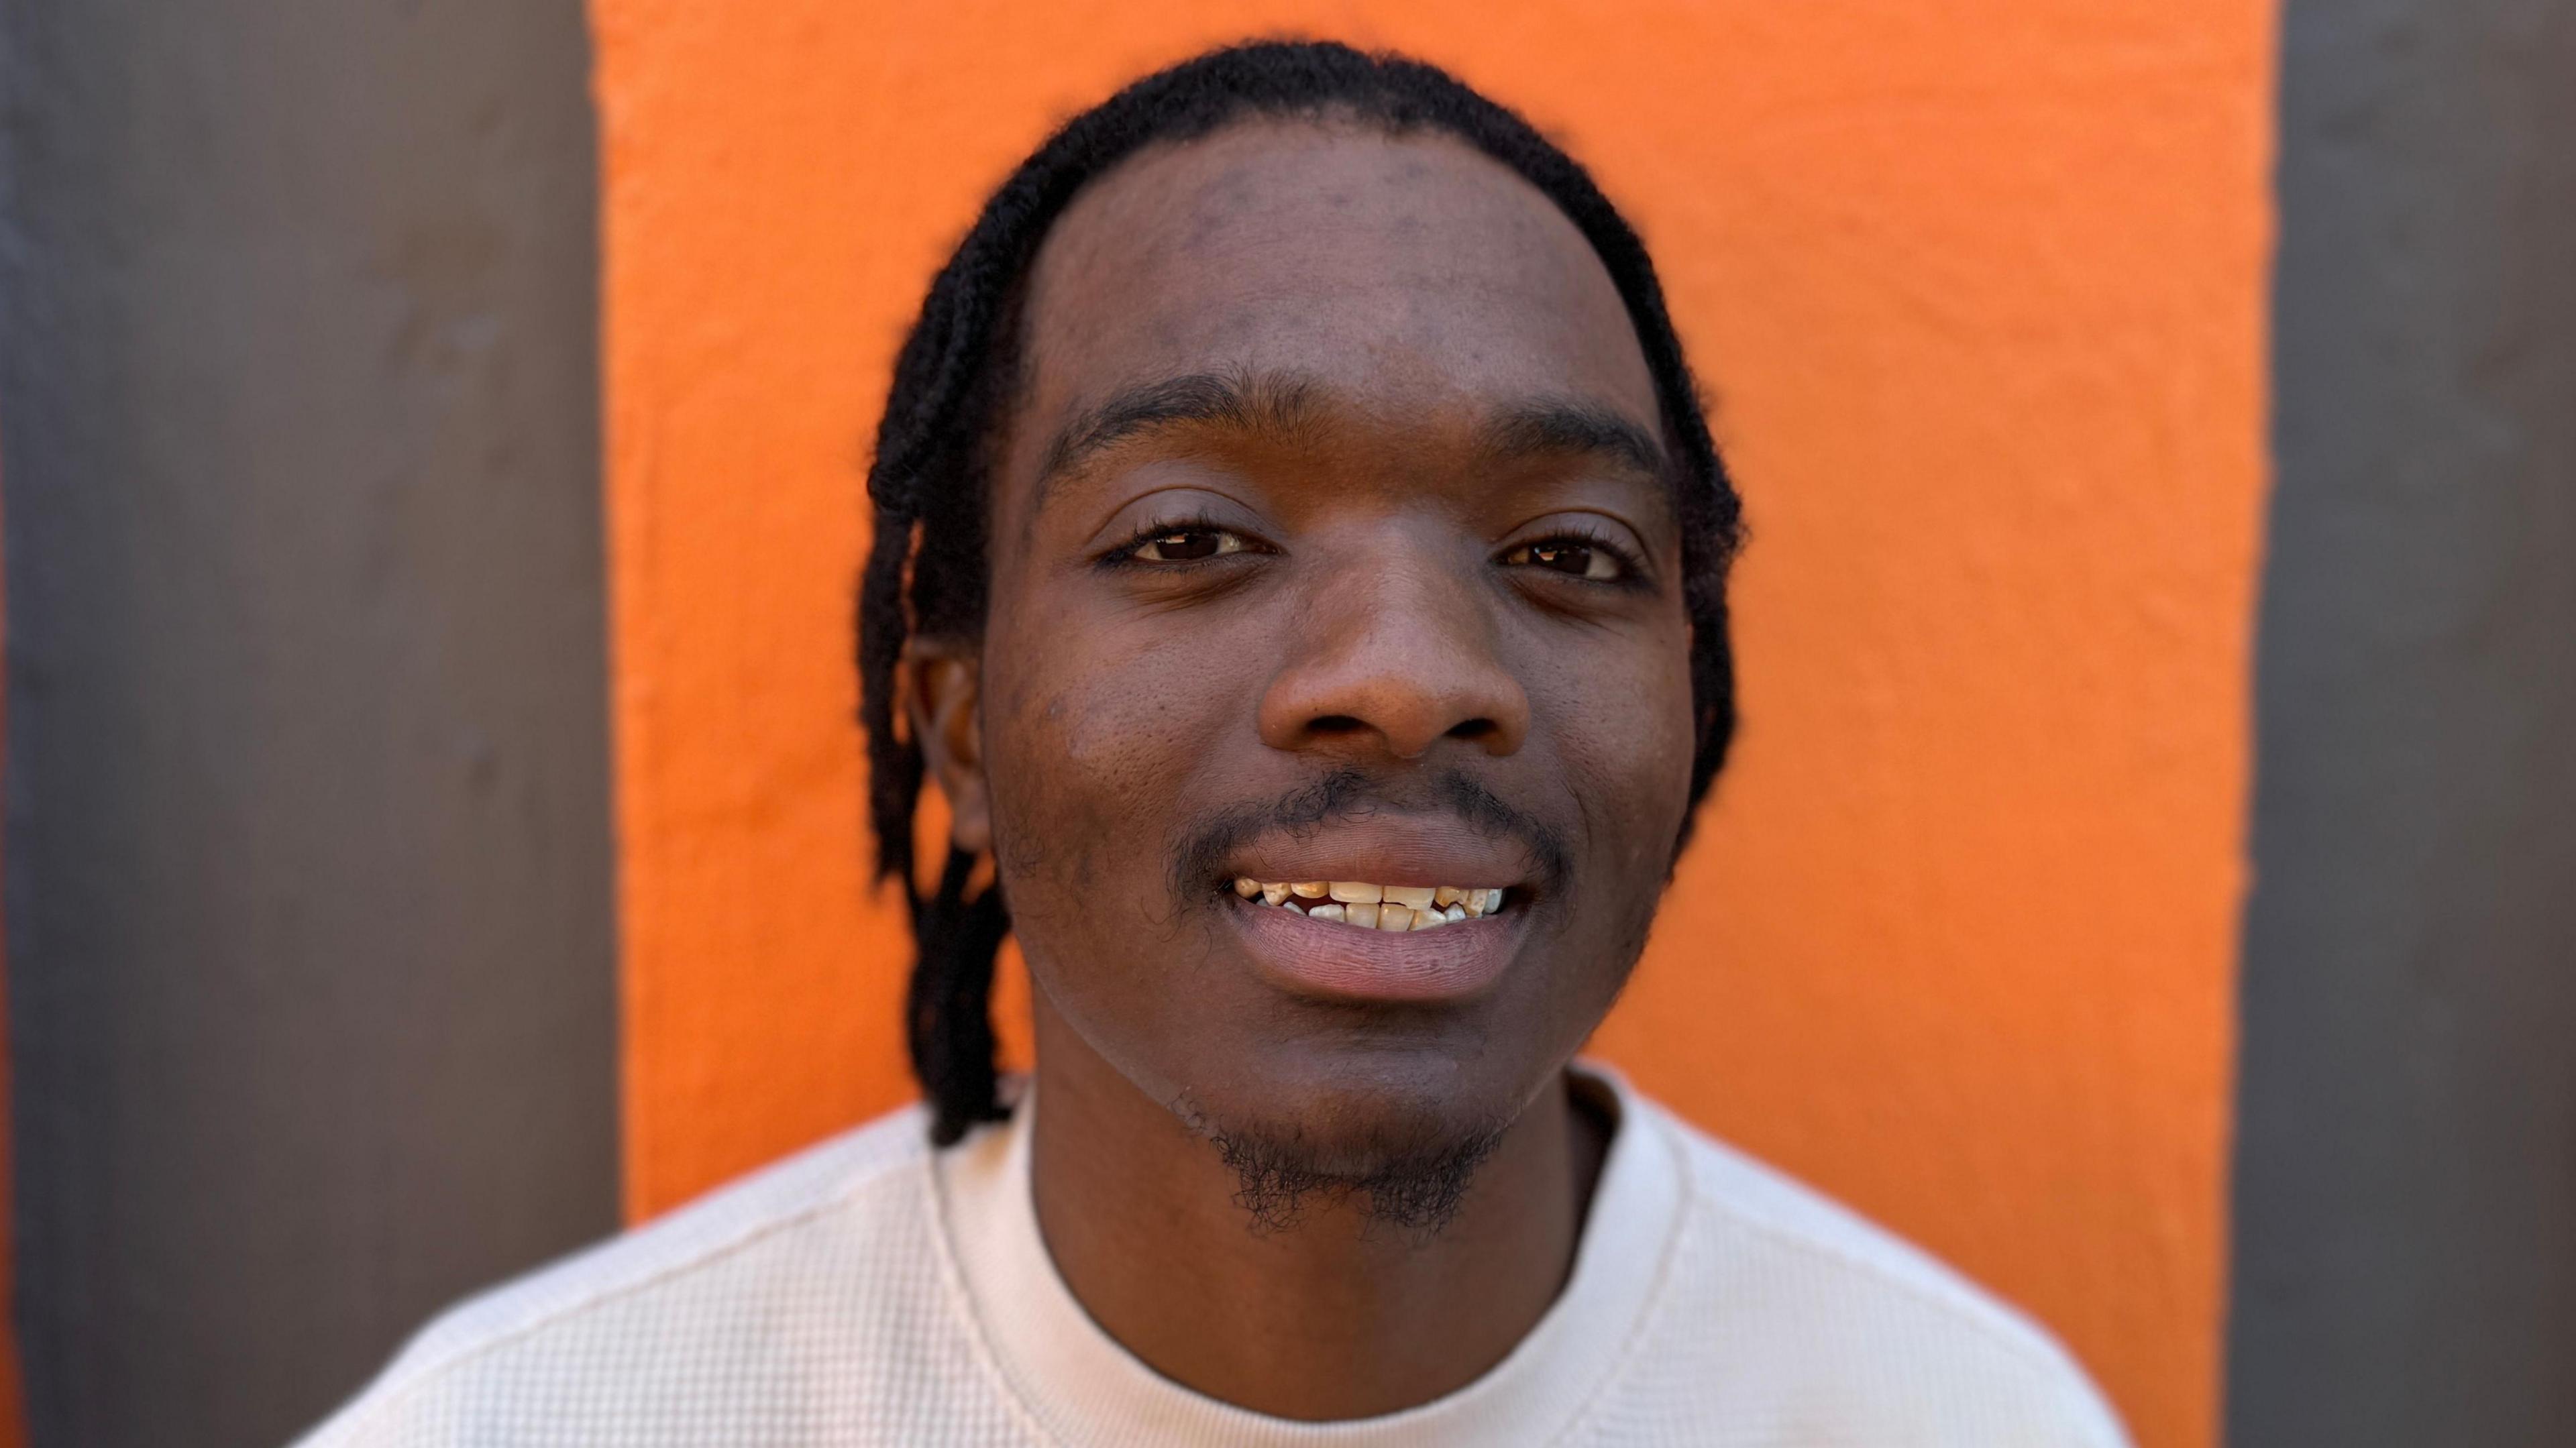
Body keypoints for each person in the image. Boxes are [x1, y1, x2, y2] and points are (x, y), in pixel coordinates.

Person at [299, 40, 2129, 1447]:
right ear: (954, 726)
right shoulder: (547, 1424)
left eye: (1569, 555)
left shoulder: (1957, 1416)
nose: (1410, 677)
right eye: (1191, 541)